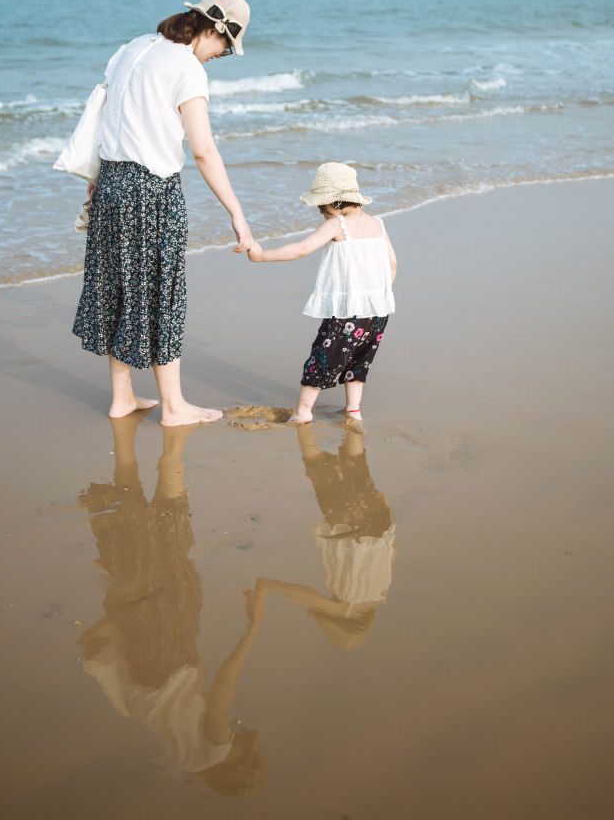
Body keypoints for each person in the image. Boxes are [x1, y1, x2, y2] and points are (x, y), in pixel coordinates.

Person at [73, 0, 254, 425]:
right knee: (161, 294)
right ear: (215, 30)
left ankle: (122, 398)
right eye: (226, 47)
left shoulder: (136, 47)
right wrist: (236, 212)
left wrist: (99, 181)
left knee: (117, 291)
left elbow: (106, 117)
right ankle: (173, 407)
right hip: (151, 191)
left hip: (110, 184)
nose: (221, 55)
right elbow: (204, 150)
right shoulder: (187, 68)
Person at [78, 420, 268, 798]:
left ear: (240, 766)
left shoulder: (216, 749)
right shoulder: (175, 749)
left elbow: (223, 688)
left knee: (173, 540)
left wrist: (253, 628)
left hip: (171, 646)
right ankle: (125, 465)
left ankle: (173, 446)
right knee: (139, 556)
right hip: (140, 642)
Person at [247, 162, 397, 425]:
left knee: (322, 358)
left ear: (336, 202)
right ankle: (353, 410)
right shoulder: (378, 224)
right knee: (359, 361)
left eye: (321, 205)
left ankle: (303, 411)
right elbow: (392, 262)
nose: (319, 210)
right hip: (378, 310)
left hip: (348, 311)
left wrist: (261, 256)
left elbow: (301, 249)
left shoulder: (339, 224)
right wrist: (376, 294)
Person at [253, 424, 397, 649]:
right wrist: (268, 587)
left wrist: (387, 512)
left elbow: (393, 552)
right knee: (316, 465)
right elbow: (305, 595)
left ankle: (352, 418)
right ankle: (303, 419)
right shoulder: (345, 609)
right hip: (347, 526)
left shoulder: (380, 595)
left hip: (379, 522)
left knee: (356, 462)